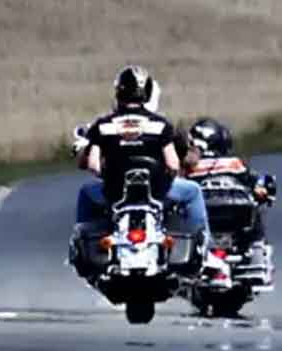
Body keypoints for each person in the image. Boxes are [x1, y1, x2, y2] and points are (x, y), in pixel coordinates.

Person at [68, 65, 211, 274]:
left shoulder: (103, 125)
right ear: (147, 93)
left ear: (119, 92)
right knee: (193, 191)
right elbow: (173, 164)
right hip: (158, 193)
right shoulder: (161, 125)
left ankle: (86, 251)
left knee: (86, 193)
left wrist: (107, 173)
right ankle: (203, 247)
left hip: (115, 193)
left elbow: (93, 165)